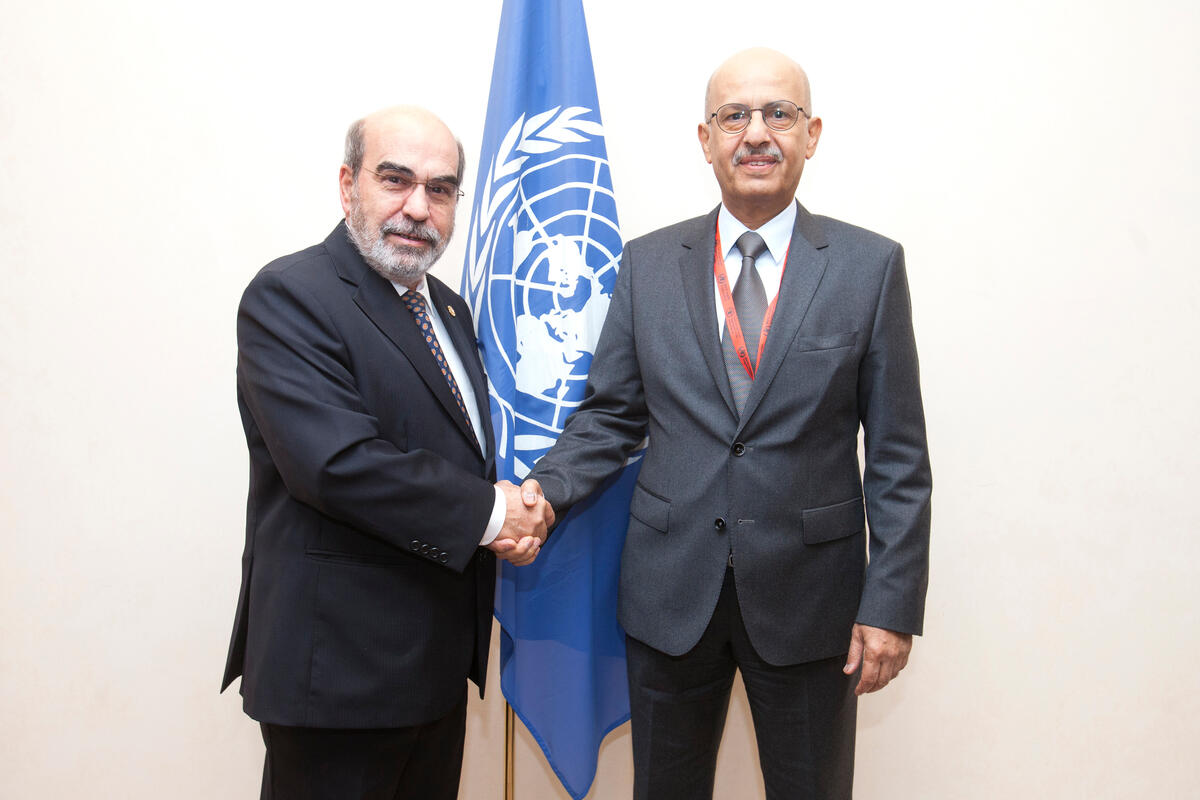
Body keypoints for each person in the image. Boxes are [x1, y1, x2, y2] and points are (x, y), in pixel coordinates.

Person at [523, 48, 932, 798]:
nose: (757, 134)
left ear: (811, 134)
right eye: (734, 116)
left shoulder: (869, 267)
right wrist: (543, 492)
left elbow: (898, 457)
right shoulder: (647, 264)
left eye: (779, 114)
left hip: (813, 602)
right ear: (706, 139)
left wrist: (891, 604)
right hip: (669, 594)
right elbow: (611, 416)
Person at [220, 105, 553, 800]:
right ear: (349, 185)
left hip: (432, 673)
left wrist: (502, 522)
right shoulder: (292, 295)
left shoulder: (449, 310)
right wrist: (495, 517)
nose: (418, 208)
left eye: (440, 189)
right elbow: (337, 466)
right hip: (336, 681)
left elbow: (456, 457)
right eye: (395, 180)